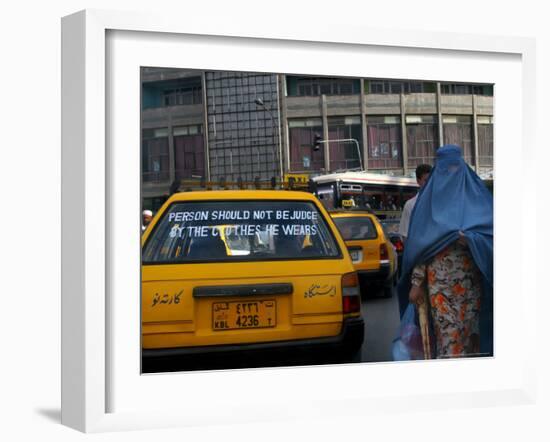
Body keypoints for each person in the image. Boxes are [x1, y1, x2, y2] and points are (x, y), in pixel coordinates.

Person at [396, 145, 493, 358]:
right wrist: (416, 283)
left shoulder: (475, 196)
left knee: (471, 341)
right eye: (444, 168)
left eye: (454, 167)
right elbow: (422, 245)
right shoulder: (426, 203)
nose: (450, 173)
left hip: (470, 286)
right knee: (448, 343)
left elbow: (492, 235)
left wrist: (470, 240)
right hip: (440, 286)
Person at [398, 164, 432, 241]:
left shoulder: (440, 202)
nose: (429, 184)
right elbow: (405, 235)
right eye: (426, 180)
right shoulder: (410, 205)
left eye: (431, 180)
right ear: (418, 181)